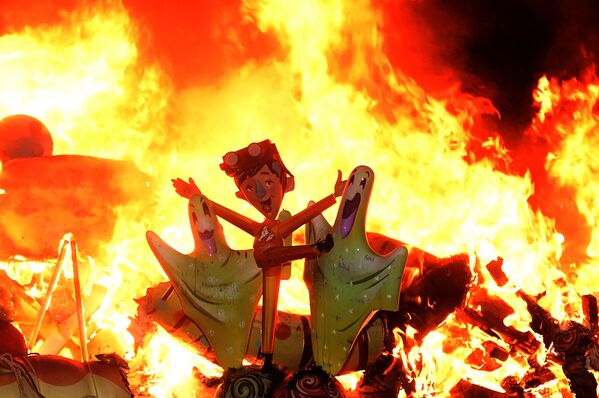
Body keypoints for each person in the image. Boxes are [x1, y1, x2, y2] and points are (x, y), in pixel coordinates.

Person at [172, 139, 344, 371]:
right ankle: (266, 355)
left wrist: (334, 196)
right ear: (242, 196)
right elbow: (226, 214)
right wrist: (198, 197)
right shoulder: (258, 228)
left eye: (267, 182)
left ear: (285, 183)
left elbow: (307, 215)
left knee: (274, 280)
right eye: (250, 188)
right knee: (265, 309)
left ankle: (312, 250)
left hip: (272, 260)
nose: (260, 193)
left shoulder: (280, 227)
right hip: (258, 269)